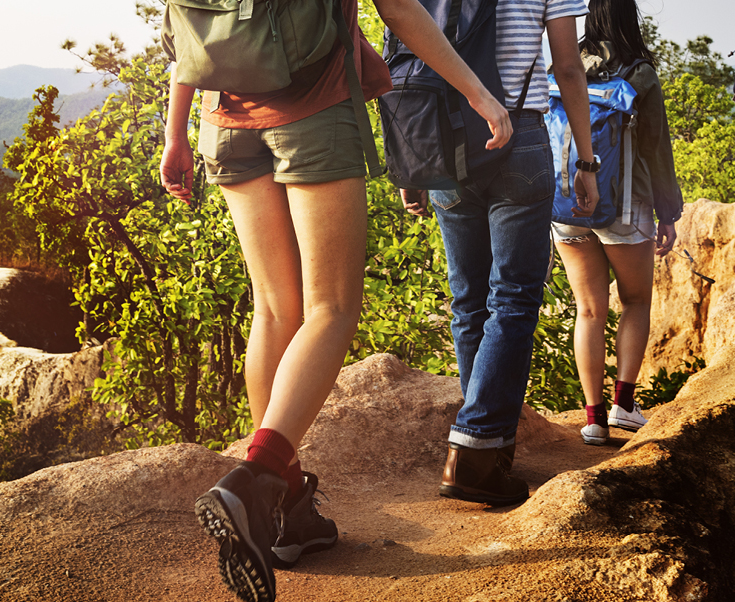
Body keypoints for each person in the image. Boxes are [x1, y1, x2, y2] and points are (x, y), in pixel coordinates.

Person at [161, 1, 512, 600]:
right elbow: (400, 9)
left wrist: (175, 135)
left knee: (272, 308)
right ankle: (256, 480)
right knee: (331, 307)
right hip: (313, 116)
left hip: (219, 119)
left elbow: (194, 31)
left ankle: (289, 512)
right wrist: (479, 93)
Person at [399, 0, 597, 507]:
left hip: (444, 135)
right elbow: (569, 67)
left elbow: (409, 44)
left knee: (468, 301)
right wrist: (586, 159)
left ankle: (487, 443)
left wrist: (412, 164)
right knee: (512, 298)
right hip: (519, 135)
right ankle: (476, 447)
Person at [553, 0, 683, 446]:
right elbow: (656, 149)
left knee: (587, 309)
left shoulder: (564, 63)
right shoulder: (640, 72)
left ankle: (592, 419)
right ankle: (624, 405)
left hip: (567, 204)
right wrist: (669, 211)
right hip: (625, 207)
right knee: (635, 301)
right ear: (631, 18)